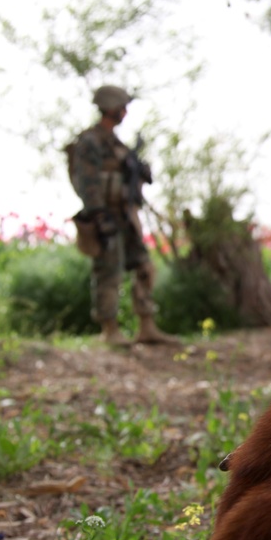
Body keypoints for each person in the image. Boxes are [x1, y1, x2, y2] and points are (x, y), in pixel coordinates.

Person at [69, 85, 177, 346]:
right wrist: (97, 214)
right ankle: (109, 330)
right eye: (121, 107)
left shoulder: (117, 144)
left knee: (143, 266)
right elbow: (86, 181)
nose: (125, 112)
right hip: (104, 216)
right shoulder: (90, 142)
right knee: (109, 272)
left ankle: (147, 326)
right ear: (110, 107)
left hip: (126, 214)